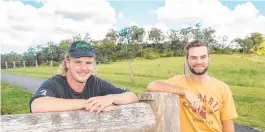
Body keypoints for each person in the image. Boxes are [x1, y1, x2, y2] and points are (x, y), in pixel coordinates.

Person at [147, 40, 238, 132]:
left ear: (209, 59)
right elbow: (152, 85)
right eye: (193, 57)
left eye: (203, 57)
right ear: (187, 60)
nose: (198, 62)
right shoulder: (179, 82)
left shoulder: (222, 88)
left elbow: (228, 124)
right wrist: (186, 92)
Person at [30, 40, 139, 114]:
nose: (84, 68)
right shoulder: (54, 84)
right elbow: (37, 105)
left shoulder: (96, 83)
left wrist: (110, 98)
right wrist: (88, 104)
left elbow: (132, 96)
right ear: (68, 62)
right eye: (78, 62)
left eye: (88, 63)